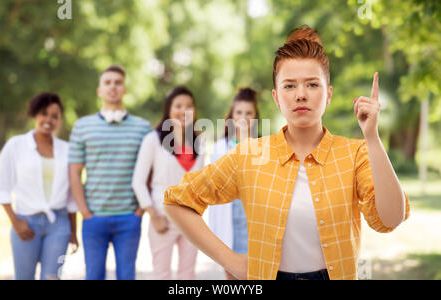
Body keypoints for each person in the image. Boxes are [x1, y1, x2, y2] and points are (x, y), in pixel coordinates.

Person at [163, 25, 410, 280]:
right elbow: (177, 201)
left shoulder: (355, 153)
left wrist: (372, 136)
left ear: (329, 95)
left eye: (312, 85)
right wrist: (233, 262)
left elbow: (391, 218)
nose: (301, 95)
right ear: (276, 97)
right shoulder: (249, 155)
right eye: (289, 86)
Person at [68, 65, 151, 280]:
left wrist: (140, 211)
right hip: (94, 218)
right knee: (93, 275)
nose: (112, 87)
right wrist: (85, 212)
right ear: (100, 90)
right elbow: (74, 172)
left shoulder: (142, 128)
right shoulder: (82, 126)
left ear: (125, 89)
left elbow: (150, 172)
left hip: (129, 217)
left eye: (118, 82)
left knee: (127, 275)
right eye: (107, 82)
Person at [0, 92, 78, 280]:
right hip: (26, 223)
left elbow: (71, 195)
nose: (49, 119)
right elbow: (2, 188)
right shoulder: (15, 145)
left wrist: (73, 231)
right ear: (34, 114)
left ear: (60, 120)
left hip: (59, 224)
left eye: (54, 116)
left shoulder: (67, 149)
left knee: (52, 277)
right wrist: (16, 223)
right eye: (44, 113)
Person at [132, 86, 204, 280]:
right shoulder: (153, 140)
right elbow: (138, 181)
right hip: (163, 217)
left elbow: (203, 182)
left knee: (188, 276)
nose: (184, 110)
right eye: (178, 105)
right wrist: (154, 216)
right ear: (168, 109)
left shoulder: (200, 142)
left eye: (189, 106)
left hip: (191, 219)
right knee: (161, 274)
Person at [208, 87, 259, 280]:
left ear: (255, 117)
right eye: (239, 113)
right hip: (228, 216)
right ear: (231, 116)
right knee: (231, 273)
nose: (243, 117)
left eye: (249, 113)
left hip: (251, 219)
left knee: (252, 274)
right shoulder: (220, 147)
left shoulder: (262, 147)